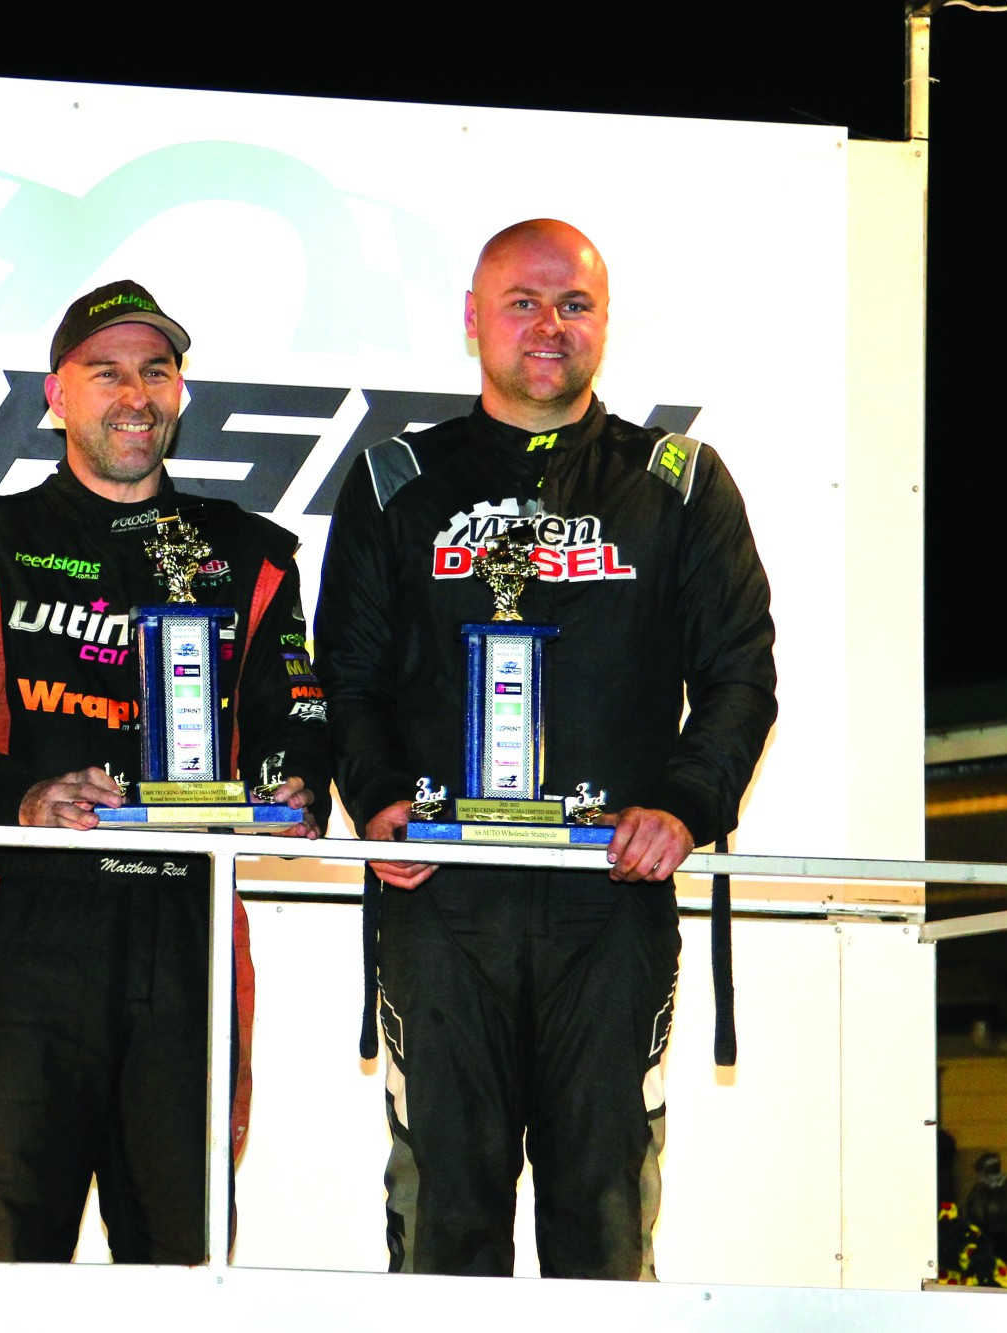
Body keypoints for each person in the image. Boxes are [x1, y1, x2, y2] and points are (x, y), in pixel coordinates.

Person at [316, 219, 776, 1279]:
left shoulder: (677, 481)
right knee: (443, 1224)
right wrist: (380, 798)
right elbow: (345, 675)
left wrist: (682, 801)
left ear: (603, 324)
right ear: (472, 320)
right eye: (520, 301)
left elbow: (738, 672)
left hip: (608, 902)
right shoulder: (395, 482)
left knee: (604, 1223)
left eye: (572, 303)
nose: (547, 324)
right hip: (441, 898)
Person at [0, 280, 330, 1263]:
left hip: (190, 931)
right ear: (57, 394)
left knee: (182, 1275)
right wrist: (21, 797)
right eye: (106, 372)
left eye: (155, 371)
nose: (134, 393)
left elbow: (294, 714)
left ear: (178, 392)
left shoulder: (249, 555)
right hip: (23, 938)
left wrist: (296, 784)